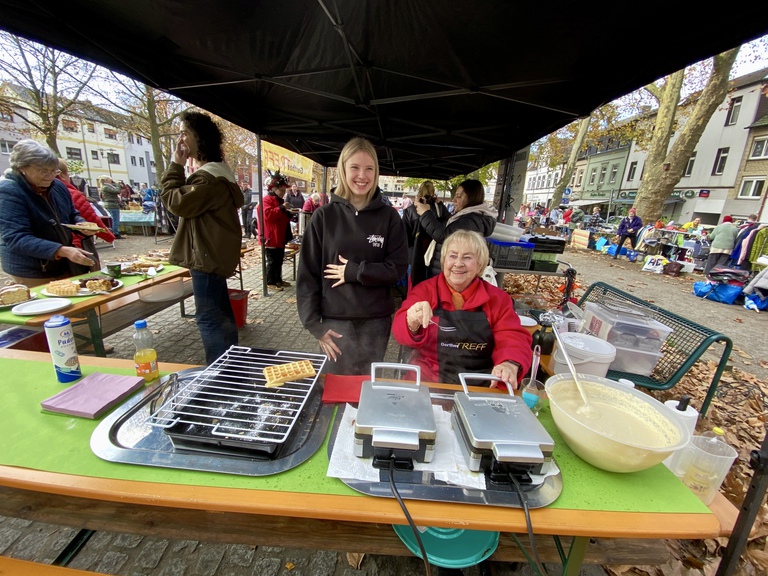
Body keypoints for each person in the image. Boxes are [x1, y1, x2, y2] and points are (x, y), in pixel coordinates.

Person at [297, 137, 408, 375]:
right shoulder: (324, 217)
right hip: (335, 322)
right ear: (343, 170)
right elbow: (308, 275)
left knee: (366, 388)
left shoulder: (389, 218)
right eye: (355, 167)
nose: (362, 175)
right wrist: (314, 325)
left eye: (369, 169)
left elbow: (397, 269)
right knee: (335, 391)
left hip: (375, 321)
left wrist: (355, 272)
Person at [392, 230, 532, 386]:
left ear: (480, 264)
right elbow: (400, 331)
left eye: (467, 257)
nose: (458, 263)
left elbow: (512, 336)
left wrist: (509, 363)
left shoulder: (497, 299)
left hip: (480, 384)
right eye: (452, 256)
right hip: (428, 381)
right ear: (444, 261)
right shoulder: (425, 291)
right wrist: (411, 322)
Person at [160, 110, 244, 365]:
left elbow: (175, 202)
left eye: (185, 132)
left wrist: (176, 165)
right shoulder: (220, 174)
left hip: (206, 257)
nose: (181, 138)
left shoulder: (208, 179)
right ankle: (231, 365)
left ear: (199, 138)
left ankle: (220, 374)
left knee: (209, 318)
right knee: (222, 315)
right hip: (214, 255)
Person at [0, 139, 96, 286]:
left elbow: (71, 213)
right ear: (22, 168)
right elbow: (15, 237)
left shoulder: (58, 186)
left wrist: (80, 224)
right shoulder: (8, 191)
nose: (50, 176)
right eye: (43, 171)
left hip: (64, 263)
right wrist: (61, 250)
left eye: (54, 170)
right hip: (33, 269)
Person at [415, 179, 496, 280]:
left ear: (471, 198)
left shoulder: (470, 221)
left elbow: (444, 236)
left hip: (451, 275)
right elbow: (449, 227)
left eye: (459, 196)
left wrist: (425, 214)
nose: (454, 200)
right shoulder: (467, 217)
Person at [56, 159, 116, 268]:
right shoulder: (73, 194)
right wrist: (108, 236)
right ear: (62, 175)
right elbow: (92, 219)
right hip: (74, 245)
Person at [402, 181, 449, 288]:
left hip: (413, 255)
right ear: (433, 192)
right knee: (433, 289)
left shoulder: (410, 210)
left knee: (415, 287)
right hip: (436, 256)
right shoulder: (441, 208)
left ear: (420, 191)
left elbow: (404, 237)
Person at [257, 171, 295, 291]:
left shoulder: (278, 200)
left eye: (284, 191)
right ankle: (270, 282)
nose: (283, 193)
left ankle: (278, 279)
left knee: (279, 260)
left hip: (279, 237)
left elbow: (279, 216)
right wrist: (282, 208)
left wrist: (288, 214)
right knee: (272, 261)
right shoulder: (266, 200)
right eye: (281, 190)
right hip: (270, 237)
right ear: (274, 188)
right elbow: (268, 215)